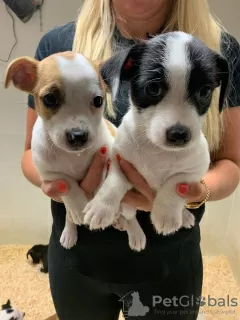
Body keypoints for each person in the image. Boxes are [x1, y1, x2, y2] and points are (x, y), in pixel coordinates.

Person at [22, 0, 240, 319]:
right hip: (78, 260)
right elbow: (31, 153)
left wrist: (192, 193)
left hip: (169, 263)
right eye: (153, 87)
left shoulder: (219, 48)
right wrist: (56, 181)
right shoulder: (58, 46)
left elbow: (231, 163)